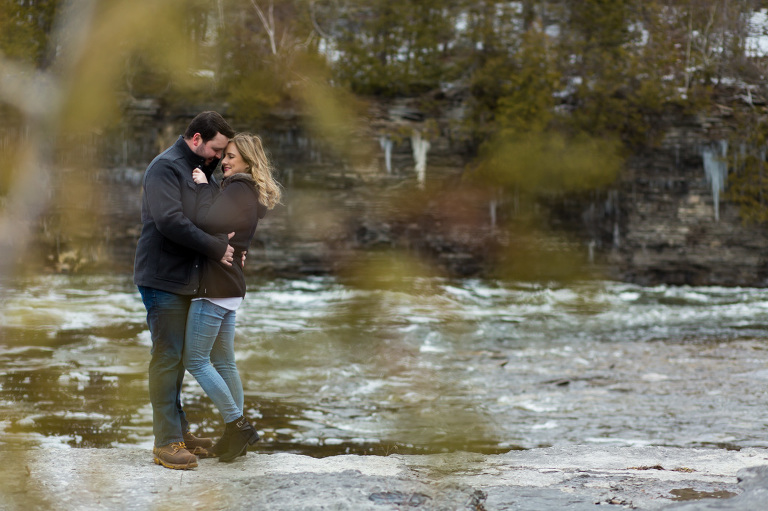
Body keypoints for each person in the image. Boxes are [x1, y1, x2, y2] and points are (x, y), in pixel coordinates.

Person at [134, 111, 236, 470]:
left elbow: (203, 216)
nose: (218, 157)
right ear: (196, 139)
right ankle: (166, 442)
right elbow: (170, 221)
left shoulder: (199, 169)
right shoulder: (165, 167)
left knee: (178, 358)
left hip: (185, 279)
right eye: (215, 149)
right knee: (168, 356)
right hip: (162, 279)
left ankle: (179, 431)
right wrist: (216, 248)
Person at [183, 133, 281, 462]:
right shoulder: (247, 190)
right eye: (224, 155)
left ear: (248, 162)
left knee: (195, 360)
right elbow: (220, 226)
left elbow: (207, 220)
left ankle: (238, 425)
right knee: (224, 361)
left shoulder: (237, 188)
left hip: (214, 285)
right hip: (231, 285)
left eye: (232, 157)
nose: (224, 161)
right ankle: (232, 438)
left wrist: (205, 185)